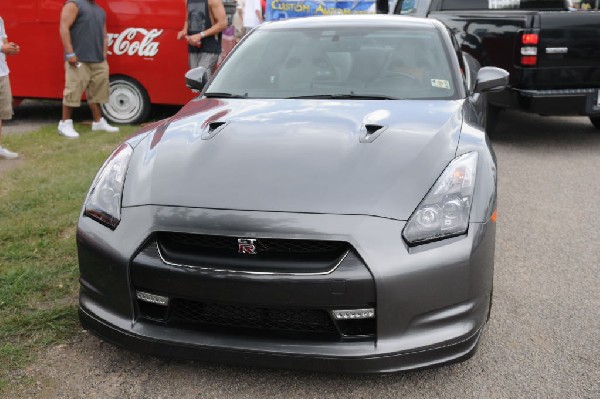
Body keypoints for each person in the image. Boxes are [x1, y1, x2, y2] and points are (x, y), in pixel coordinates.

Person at [58, 0, 119, 139]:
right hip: (78, 59)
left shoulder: (100, 10)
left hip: (98, 60)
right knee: (73, 91)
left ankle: (98, 122)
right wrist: (70, 53)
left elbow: (104, 34)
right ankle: (64, 123)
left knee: (98, 92)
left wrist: (104, 53)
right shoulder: (73, 4)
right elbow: (64, 27)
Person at [177, 0, 227, 72]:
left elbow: (223, 23)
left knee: (201, 77)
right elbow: (188, 19)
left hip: (210, 48)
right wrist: (184, 31)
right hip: (193, 48)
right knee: (193, 79)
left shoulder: (213, 1)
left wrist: (201, 35)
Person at [0, 16, 20, 159]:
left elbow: (4, 43)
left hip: (2, 72)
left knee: (1, 114)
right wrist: (2, 48)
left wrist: (11, 49)